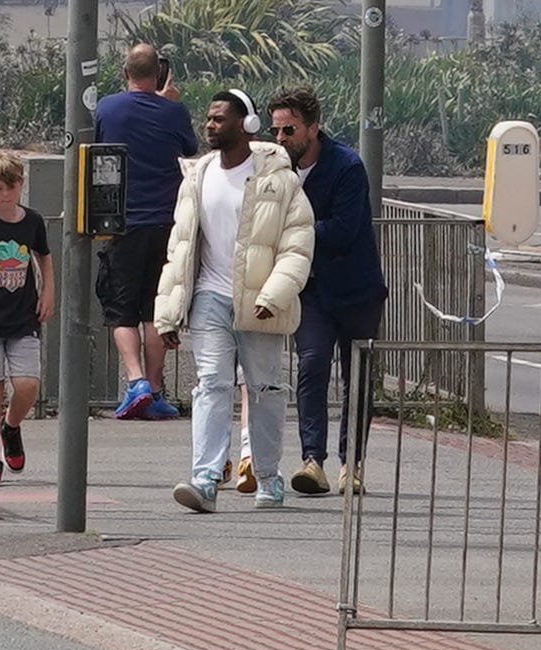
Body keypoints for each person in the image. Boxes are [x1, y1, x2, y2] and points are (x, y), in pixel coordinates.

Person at [155, 91, 308, 512]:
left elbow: (297, 244)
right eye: (209, 118)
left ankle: (269, 477)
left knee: (264, 388)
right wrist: (167, 313)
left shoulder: (277, 178)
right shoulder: (198, 175)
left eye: (220, 119)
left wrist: (274, 295)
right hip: (210, 295)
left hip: (259, 300)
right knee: (212, 384)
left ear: (247, 125)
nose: (210, 125)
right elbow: (181, 246)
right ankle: (205, 478)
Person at [269, 90, 383, 496]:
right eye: (276, 130)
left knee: (360, 378)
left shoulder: (347, 166)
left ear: (313, 128)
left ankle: (352, 464)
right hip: (313, 290)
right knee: (311, 366)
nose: (280, 138)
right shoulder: (276, 170)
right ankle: (311, 461)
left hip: (358, 291)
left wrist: (291, 233)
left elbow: (343, 229)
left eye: (289, 130)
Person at [88, 47, 196, 421]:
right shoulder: (175, 112)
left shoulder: (106, 108)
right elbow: (189, 148)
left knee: (120, 309)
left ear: (125, 71)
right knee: (156, 307)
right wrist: (166, 103)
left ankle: (135, 382)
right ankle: (153, 388)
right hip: (166, 223)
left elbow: (99, 141)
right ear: (161, 74)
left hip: (122, 222)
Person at [0, 156, 52, 475]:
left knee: (28, 383)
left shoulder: (32, 221)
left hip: (22, 316)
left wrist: (47, 292)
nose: (5, 195)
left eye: (11, 187)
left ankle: (12, 425)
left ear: (21, 185)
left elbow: (43, 256)